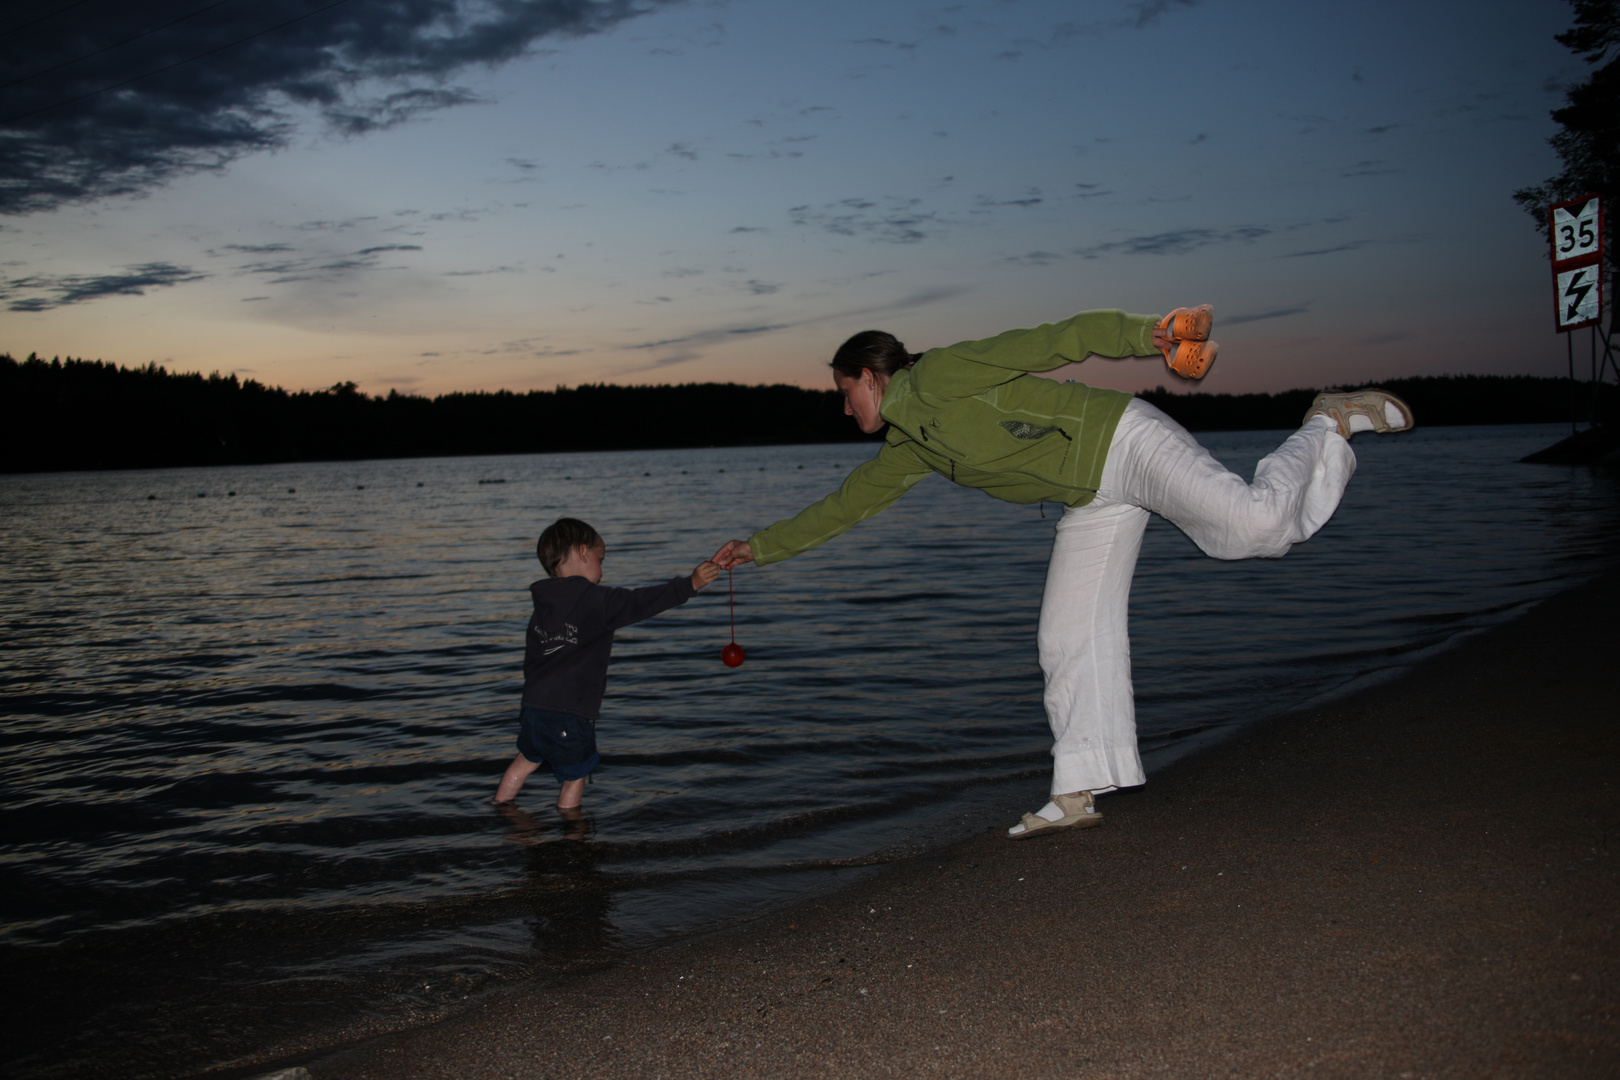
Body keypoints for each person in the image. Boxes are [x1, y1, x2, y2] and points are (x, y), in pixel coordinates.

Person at [712, 307, 1413, 839]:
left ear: (872, 376)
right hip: (1090, 497)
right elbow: (847, 506)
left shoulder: (942, 376)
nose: (844, 408)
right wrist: (760, 548)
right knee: (1066, 637)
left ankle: (1324, 424)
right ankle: (1080, 789)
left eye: (845, 392)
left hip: (1120, 440)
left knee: (1252, 531)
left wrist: (1151, 335)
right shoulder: (911, 447)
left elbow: (1050, 340)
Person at [495, 517, 722, 809]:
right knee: (576, 774)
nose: (602, 572)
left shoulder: (542, 606)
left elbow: (531, 660)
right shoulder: (596, 600)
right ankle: (572, 832)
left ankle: (500, 809)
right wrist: (690, 584)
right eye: (601, 560)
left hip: (532, 711)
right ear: (583, 553)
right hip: (570, 713)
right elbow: (640, 602)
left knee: (525, 761)